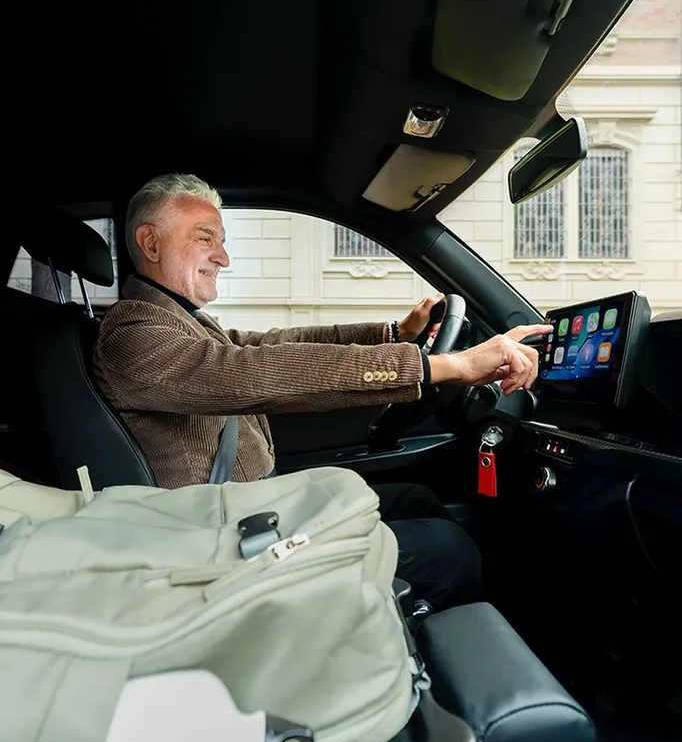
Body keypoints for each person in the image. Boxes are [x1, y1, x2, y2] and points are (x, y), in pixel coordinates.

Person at [93, 174, 550, 610]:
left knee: (415, 498)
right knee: (449, 549)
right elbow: (254, 370)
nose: (223, 257)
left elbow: (268, 345)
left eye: (222, 241)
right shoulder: (133, 333)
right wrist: (448, 366)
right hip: (227, 541)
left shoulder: (176, 320)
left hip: (255, 507)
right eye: (205, 237)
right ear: (151, 243)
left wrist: (392, 332)